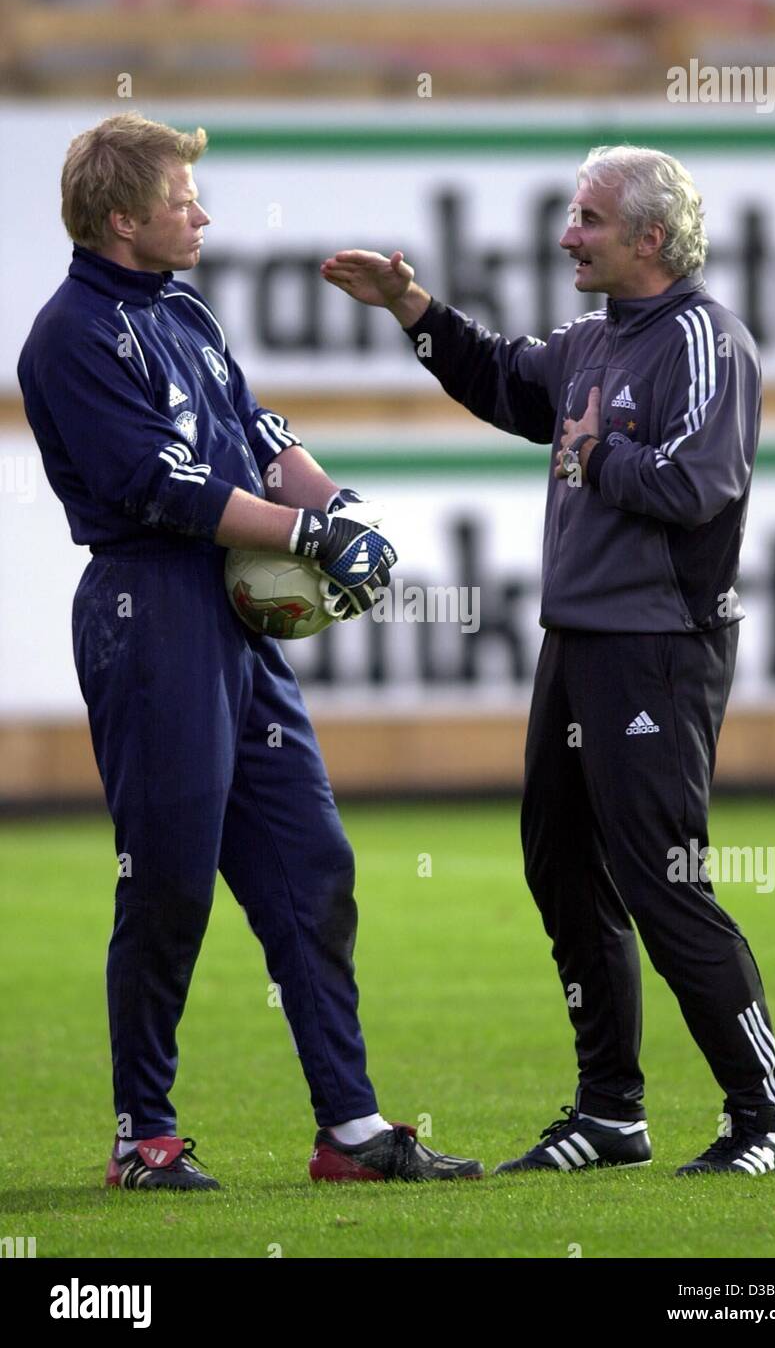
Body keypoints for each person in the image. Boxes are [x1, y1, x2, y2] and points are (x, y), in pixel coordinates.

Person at [17, 111, 482, 1190]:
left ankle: (352, 1130)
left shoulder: (182, 308)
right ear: (123, 217)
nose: (204, 215)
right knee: (170, 881)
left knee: (313, 863)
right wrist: (308, 537)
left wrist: (339, 508)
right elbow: (161, 488)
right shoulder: (70, 335)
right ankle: (145, 1134)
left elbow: (260, 434)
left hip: (230, 618)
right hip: (151, 610)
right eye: (185, 200)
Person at [321, 144, 775, 1178]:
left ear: (650, 239)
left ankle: (764, 1117)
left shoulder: (708, 340)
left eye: (586, 217)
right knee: (562, 869)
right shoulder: (592, 338)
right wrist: (414, 310)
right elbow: (504, 379)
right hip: (578, 638)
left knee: (664, 879)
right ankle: (611, 1111)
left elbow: (700, 484)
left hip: (660, 645)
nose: (566, 235)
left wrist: (598, 456)